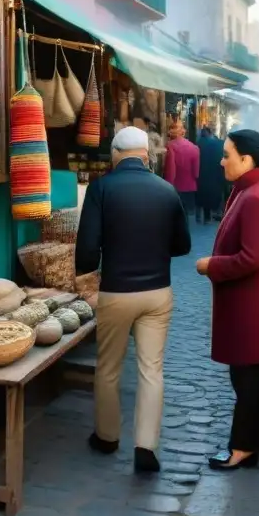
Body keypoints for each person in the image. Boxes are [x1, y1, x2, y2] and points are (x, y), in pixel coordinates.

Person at [76, 126, 192, 474]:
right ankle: (146, 446)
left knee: (109, 367)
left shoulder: (101, 189)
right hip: (158, 292)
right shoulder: (167, 190)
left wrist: (88, 275)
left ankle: (108, 436)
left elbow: (86, 251)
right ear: (147, 154)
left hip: (116, 291)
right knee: (151, 369)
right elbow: (183, 245)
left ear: (115, 153)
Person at [196, 129, 259, 470]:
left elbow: (253, 256)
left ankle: (242, 447)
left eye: (227, 154)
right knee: (252, 375)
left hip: (252, 304)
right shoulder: (258, 189)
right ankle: (257, 440)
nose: (221, 160)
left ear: (246, 159)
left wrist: (212, 266)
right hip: (256, 301)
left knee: (246, 377)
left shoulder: (256, 196)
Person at [163, 124, 200, 218]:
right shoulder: (195, 148)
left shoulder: (169, 146)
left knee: (175, 215)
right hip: (190, 186)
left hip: (175, 186)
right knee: (186, 214)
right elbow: (196, 173)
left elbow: (171, 170)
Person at [197, 127, 226, 224]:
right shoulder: (220, 144)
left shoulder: (200, 145)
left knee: (206, 196)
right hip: (216, 175)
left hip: (206, 175)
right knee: (217, 195)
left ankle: (207, 217)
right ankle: (216, 213)